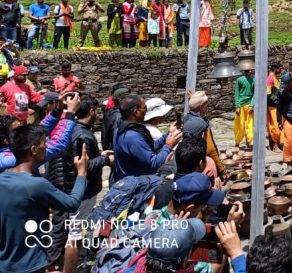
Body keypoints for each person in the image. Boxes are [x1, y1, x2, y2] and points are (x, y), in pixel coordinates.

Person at [0, 125, 88, 273]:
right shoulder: (36, 185)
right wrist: (82, 172)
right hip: (31, 264)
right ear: (34, 150)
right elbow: (72, 203)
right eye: (44, 144)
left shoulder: (2, 179)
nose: (46, 147)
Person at [47, 96, 113, 273]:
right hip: (80, 191)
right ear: (91, 111)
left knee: (66, 229)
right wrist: (105, 159)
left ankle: (61, 262)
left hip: (69, 188)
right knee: (74, 235)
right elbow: (82, 165)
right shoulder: (82, 134)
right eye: (96, 111)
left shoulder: (73, 129)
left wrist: (99, 154)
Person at [113, 94, 181, 180]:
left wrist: (168, 134)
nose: (146, 110)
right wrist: (168, 146)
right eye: (144, 107)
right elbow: (153, 164)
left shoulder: (123, 128)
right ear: (135, 112)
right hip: (139, 185)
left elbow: (149, 147)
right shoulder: (132, 137)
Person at [184, 90, 225, 178]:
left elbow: (195, 111)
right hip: (199, 164)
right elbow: (211, 149)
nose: (207, 107)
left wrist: (193, 99)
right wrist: (221, 169)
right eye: (206, 105)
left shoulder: (186, 118)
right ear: (201, 106)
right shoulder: (203, 125)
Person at [234, 68, 255, 148]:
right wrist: (237, 106)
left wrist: (252, 105)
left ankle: (249, 142)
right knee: (240, 125)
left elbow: (254, 94)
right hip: (241, 105)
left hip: (249, 105)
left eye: (251, 70)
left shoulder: (253, 80)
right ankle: (237, 142)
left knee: (249, 124)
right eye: (249, 70)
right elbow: (237, 93)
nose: (251, 71)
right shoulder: (239, 80)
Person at [266, 62, 282, 150]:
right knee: (274, 125)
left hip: (276, 105)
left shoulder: (275, 77)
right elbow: (268, 93)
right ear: (275, 69)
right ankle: (275, 144)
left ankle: (274, 144)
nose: (280, 70)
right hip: (272, 105)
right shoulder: (270, 78)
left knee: (276, 124)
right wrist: (276, 99)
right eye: (279, 68)